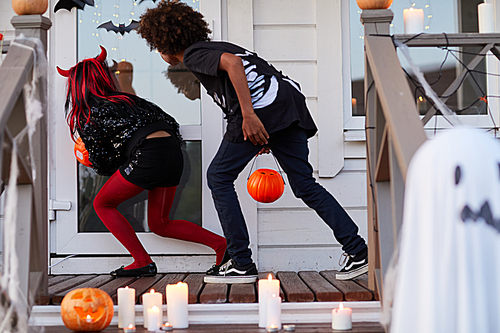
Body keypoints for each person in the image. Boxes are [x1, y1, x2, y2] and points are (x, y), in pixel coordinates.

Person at [138, 0, 368, 283]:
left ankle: (240, 261)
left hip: (262, 113)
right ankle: (357, 251)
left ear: (164, 42)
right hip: (288, 110)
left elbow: (233, 65)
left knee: (218, 176)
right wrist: (270, 126)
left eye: (157, 47)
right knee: (305, 185)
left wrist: (249, 116)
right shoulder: (218, 45)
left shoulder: (195, 54)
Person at [57, 46, 228, 277]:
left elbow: (104, 163)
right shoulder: (130, 101)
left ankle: (142, 261)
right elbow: (170, 122)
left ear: (77, 87)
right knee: (159, 224)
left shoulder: (90, 113)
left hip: (149, 155)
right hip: (173, 153)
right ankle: (223, 246)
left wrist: (91, 159)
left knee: (102, 204)